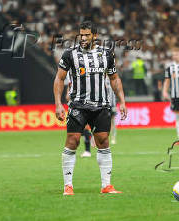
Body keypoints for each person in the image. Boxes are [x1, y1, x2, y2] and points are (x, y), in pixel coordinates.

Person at [54, 21, 127, 196]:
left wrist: (122, 100)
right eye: (81, 35)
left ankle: (106, 185)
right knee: (73, 141)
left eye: (87, 35)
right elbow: (59, 79)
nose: (83, 38)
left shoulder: (106, 54)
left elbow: (114, 78)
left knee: (103, 141)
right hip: (78, 106)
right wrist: (58, 104)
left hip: (101, 105)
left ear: (95, 35)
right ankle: (68, 185)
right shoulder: (70, 54)